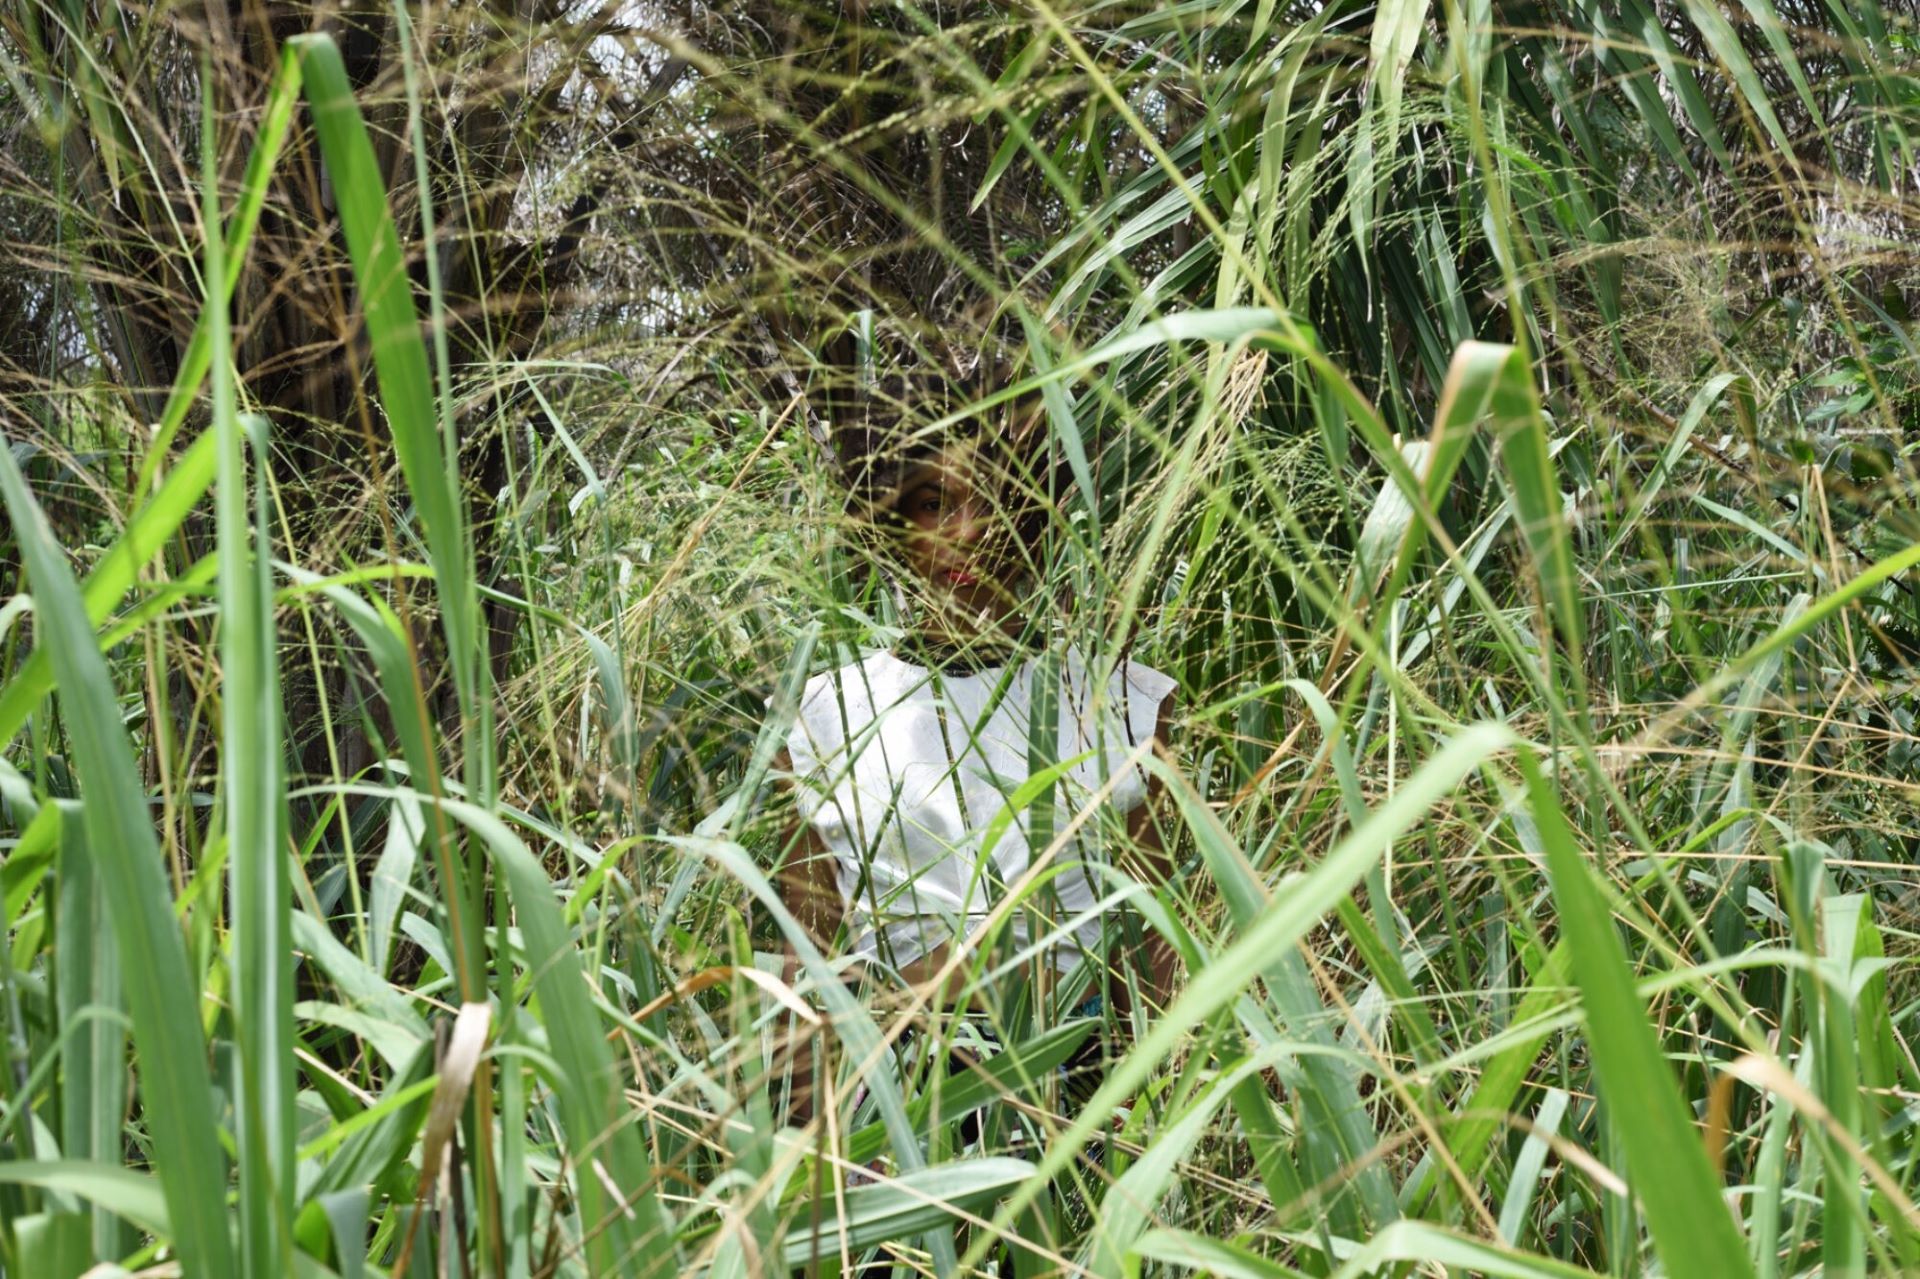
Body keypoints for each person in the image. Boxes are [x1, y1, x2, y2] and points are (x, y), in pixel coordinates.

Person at [767, 361, 1179, 1127]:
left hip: (1076, 1097)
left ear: (1039, 517)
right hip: (890, 1100)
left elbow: (1152, 950)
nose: (969, 533)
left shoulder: (1123, 703)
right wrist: (801, 1169)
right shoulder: (829, 711)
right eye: (934, 502)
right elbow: (810, 957)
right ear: (893, 520)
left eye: (998, 501)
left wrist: (1152, 1136)